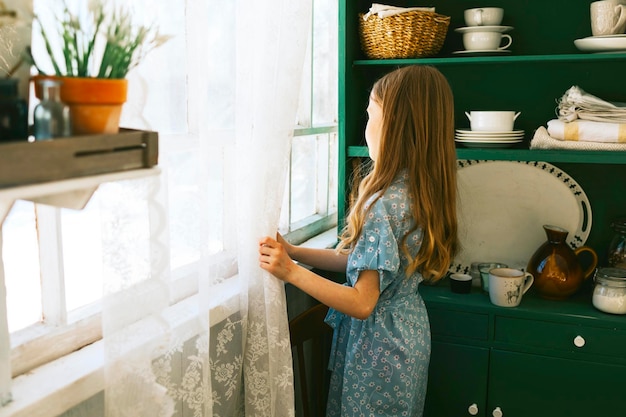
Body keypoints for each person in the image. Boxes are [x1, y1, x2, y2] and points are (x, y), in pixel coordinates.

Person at [258, 65, 458, 416]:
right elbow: (362, 259)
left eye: (370, 115)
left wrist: (291, 272)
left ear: (394, 125)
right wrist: (293, 251)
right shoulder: (419, 189)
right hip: (407, 336)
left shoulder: (384, 203)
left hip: (377, 348)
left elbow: (363, 302)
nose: (365, 126)